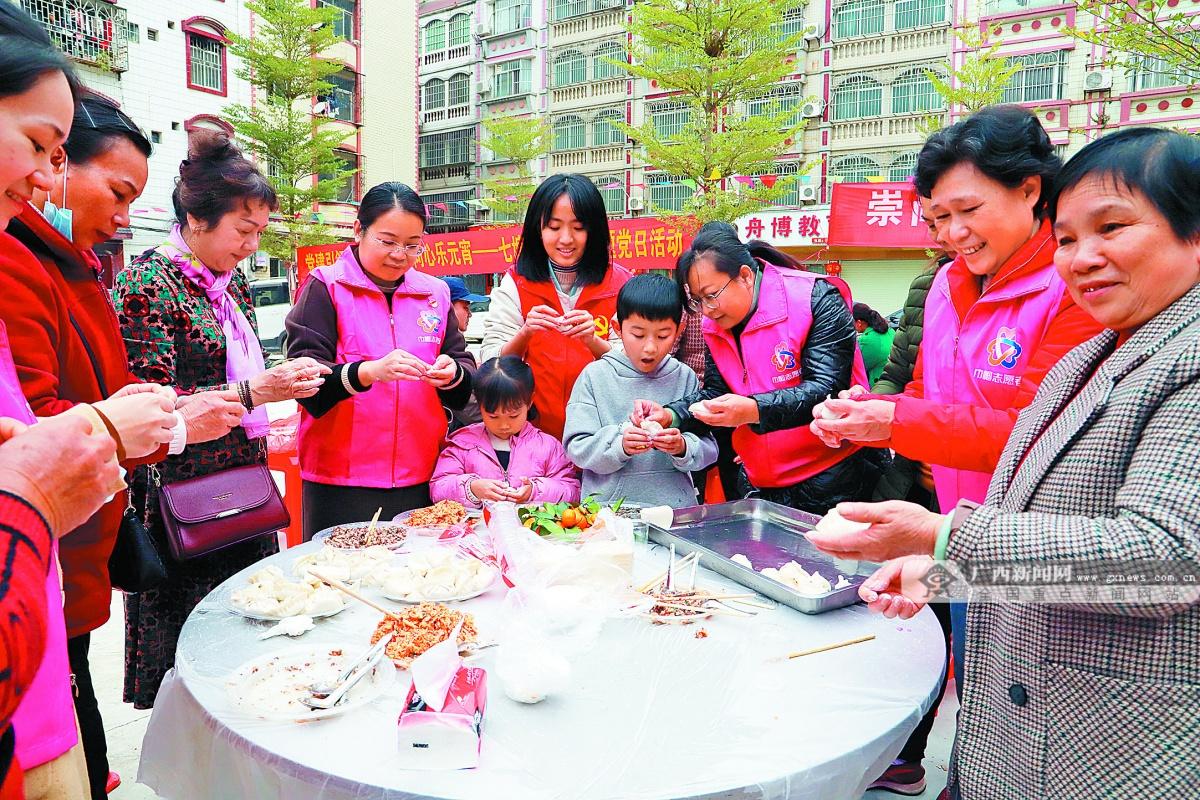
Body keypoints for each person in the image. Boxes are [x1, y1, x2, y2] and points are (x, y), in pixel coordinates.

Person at [808, 126, 1200, 800]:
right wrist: (946, 572)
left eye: (1112, 227)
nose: (1080, 259)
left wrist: (941, 536)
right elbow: (1036, 500)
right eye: (1070, 238)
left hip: (1116, 726)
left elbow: (1164, 559)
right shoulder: (1093, 352)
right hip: (1025, 650)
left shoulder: (1178, 358)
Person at [1, 95, 249, 799]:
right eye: (115, 193)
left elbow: (112, 388)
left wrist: (162, 411)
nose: (121, 216)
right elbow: (43, 420)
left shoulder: (78, 265)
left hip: (83, 536)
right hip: (52, 546)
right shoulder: (33, 265)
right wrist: (156, 423)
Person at [115, 131, 329, 709]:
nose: (251, 245)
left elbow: (238, 367)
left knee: (251, 634)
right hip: (184, 494)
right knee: (193, 655)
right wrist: (253, 389)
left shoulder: (229, 282)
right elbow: (145, 402)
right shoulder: (147, 284)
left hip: (243, 482)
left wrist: (277, 380)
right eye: (243, 229)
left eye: (260, 232)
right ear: (195, 218)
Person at [634, 222, 880, 514]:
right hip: (762, 480)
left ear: (746, 276)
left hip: (834, 476)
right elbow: (716, 392)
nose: (707, 309)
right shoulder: (715, 326)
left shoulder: (815, 298)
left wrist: (752, 410)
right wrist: (671, 414)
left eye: (711, 295)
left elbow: (827, 389)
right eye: (698, 300)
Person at [286, 182, 475, 538]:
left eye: (412, 245)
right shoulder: (326, 287)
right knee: (342, 581)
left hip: (421, 473)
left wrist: (453, 373)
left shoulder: (435, 293)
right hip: (341, 480)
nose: (400, 254)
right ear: (358, 230)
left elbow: (464, 369)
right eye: (387, 242)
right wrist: (368, 372)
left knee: (415, 581)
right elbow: (304, 383)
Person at [863, 202, 953, 796]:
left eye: (963, 212)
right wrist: (872, 406)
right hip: (920, 485)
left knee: (978, 644)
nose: (947, 234)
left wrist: (898, 416)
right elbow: (903, 373)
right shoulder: (931, 285)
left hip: (978, 503)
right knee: (918, 629)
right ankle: (910, 754)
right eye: (935, 219)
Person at [480, 174, 631, 439]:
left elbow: (635, 365)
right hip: (533, 442)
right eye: (553, 226)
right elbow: (492, 360)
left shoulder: (620, 283)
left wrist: (593, 341)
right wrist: (525, 333)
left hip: (602, 439)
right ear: (537, 228)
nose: (565, 239)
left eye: (578, 227)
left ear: (594, 229)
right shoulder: (516, 282)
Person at [565, 274, 717, 507]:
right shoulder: (594, 377)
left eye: (663, 336)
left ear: (680, 330)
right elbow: (577, 447)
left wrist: (682, 447)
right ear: (617, 327)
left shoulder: (685, 377)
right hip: (608, 514)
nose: (650, 347)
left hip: (675, 511)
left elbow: (708, 446)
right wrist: (620, 444)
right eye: (638, 334)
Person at [430, 356, 579, 507]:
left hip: (528, 528)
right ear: (480, 404)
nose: (504, 425)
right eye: (493, 416)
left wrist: (535, 491)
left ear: (529, 402)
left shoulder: (548, 446)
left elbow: (571, 491)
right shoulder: (463, 443)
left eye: (513, 415)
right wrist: (471, 488)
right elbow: (438, 488)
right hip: (478, 529)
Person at [441, 275, 484, 432]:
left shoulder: (455, 344)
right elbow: (468, 408)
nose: (470, 314)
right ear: (449, 307)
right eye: (466, 307)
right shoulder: (441, 348)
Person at [853, 302, 894, 387]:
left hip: (878, 384)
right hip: (894, 380)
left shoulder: (867, 340)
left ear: (859, 322)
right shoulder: (890, 331)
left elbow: (859, 368)